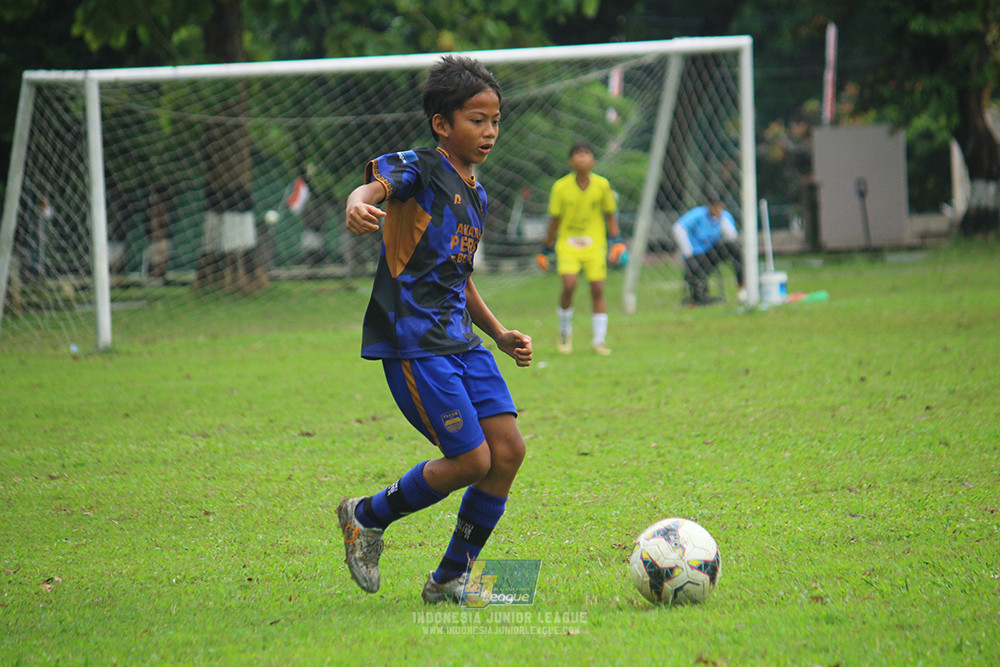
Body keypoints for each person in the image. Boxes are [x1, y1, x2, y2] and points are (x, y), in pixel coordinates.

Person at [339, 55, 533, 605]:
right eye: (477, 119)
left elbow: (459, 275)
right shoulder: (420, 167)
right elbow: (370, 190)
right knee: (472, 460)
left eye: (495, 119)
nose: (490, 131)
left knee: (508, 450)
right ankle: (365, 516)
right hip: (414, 343)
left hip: (462, 343)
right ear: (442, 124)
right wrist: (357, 204)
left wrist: (497, 333)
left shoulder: (479, 193)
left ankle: (451, 578)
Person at [539, 141, 624, 356]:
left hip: (595, 244)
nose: (582, 157)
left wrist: (617, 242)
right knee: (569, 285)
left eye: (586, 153)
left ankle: (599, 340)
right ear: (571, 161)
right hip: (567, 244)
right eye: (577, 154)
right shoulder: (560, 187)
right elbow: (554, 221)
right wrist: (545, 250)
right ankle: (565, 333)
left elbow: (610, 215)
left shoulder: (602, 185)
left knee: (597, 288)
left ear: (593, 160)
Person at [673, 193, 745, 305]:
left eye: (718, 206)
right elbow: (678, 228)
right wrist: (688, 252)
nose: (716, 209)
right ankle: (700, 298)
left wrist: (721, 219)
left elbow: (731, 237)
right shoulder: (698, 214)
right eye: (713, 206)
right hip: (696, 253)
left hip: (712, 252)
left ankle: (742, 287)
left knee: (735, 248)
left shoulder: (725, 217)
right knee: (695, 268)